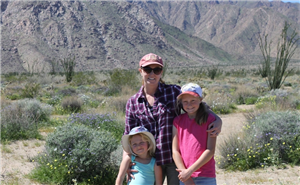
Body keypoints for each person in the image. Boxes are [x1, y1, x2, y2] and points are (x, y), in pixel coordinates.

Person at [123, 53, 222, 185]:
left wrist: (218, 120)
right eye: (147, 69)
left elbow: (197, 105)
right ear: (140, 71)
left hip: (173, 160)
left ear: (161, 72)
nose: (152, 74)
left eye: (156, 70)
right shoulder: (133, 102)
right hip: (147, 161)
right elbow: (128, 135)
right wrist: (126, 163)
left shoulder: (173, 92)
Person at [172, 83, 217, 185]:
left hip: (205, 175)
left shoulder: (209, 120)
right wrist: (184, 173)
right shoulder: (177, 121)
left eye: (193, 101)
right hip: (184, 176)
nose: (189, 105)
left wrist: (190, 171)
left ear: (200, 100)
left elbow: (210, 150)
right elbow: (175, 151)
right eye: (185, 102)